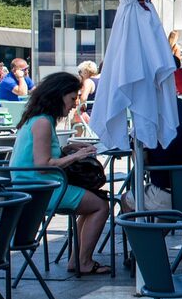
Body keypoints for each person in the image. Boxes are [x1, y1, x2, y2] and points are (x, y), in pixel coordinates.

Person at [9, 72, 109, 275]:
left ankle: (79, 260)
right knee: (100, 206)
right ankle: (83, 262)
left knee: (93, 203)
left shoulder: (37, 119)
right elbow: (44, 164)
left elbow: (42, 156)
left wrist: (69, 148)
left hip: (30, 187)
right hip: (41, 189)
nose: (74, 104)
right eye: (72, 98)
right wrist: (77, 155)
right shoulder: (44, 123)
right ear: (58, 95)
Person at [122, 97, 182, 213]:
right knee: (164, 200)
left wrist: (135, 146)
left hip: (169, 196)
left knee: (126, 199)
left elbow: (141, 162)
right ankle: (159, 231)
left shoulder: (149, 119)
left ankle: (144, 231)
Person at [73, 61, 100, 129]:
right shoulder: (101, 80)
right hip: (101, 113)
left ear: (85, 72)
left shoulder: (88, 81)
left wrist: (82, 107)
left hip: (91, 114)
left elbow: (83, 98)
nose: (80, 74)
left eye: (80, 72)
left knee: (76, 116)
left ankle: (76, 138)